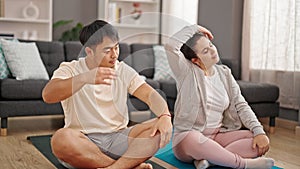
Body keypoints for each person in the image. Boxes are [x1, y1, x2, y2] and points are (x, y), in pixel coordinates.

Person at [42, 20, 173, 169]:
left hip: (119, 139)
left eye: (116, 48)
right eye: (107, 50)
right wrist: (85, 78)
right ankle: (126, 166)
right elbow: (48, 95)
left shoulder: (123, 70)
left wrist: (165, 116)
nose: (114, 55)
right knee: (60, 139)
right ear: (89, 51)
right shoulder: (70, 69)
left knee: (159, 128)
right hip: (83, 144)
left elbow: (150, 94)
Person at [164, 24, 274, 169]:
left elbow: (241, 105)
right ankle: (243, 164)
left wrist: (259, 131)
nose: (212, 51)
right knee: (192, 138)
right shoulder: (187, 73)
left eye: (210, 45)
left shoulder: (224, 73)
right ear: (195, 60)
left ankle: (210, 160)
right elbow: (170, 46)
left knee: (254, 138)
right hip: (188, 139)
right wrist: (195, 28)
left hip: (217, 137)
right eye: (205, 51)